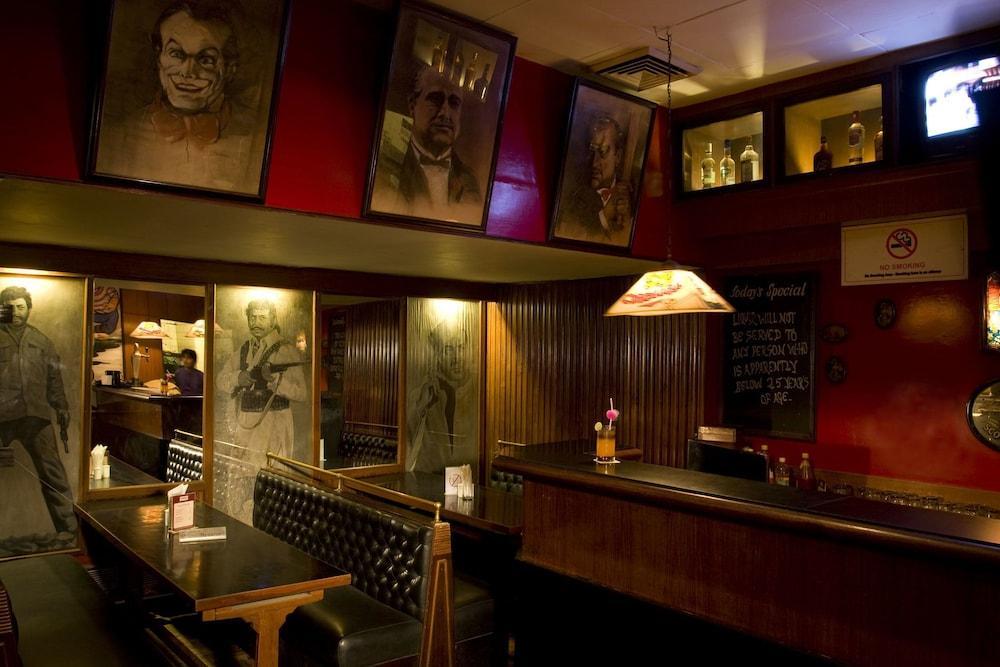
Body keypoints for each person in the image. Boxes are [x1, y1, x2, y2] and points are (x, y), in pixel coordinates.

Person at [96, 1, 263, 194]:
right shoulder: (117, 136)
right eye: (176, 53)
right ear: (159, 59)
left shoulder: (254, 144)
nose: (188, 72)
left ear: (229, 69)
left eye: (206, 59)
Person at [0, 286, 78, 541]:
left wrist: (61, 407)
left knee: (53, 473)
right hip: (2, 416)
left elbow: (54, 379)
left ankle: (70, 532)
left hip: (35, 416)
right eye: (10, 307)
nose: (16, 312)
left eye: (21, 307)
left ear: (29, 308)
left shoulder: (42, 341)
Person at [380, 66, 481, 219]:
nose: (445, 113)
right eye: (435, 100)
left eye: (454, 103)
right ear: (412, 105)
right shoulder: (385, 168)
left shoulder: (470, 180)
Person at [406, 318, 477, 474]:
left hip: (469, 481)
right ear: (437, 355)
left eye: (460, 347)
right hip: (429, 482)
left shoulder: (478, 393)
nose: (456, 358)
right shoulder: (423, 394)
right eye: (449, 349)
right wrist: (420, 408)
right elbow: (406, 443)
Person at [556, 116, 633, 244]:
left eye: (602, 151)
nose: (594, 163)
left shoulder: (631, 197)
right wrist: (606, 215)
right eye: (592, 151)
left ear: (618, 157)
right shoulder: (572, 199)